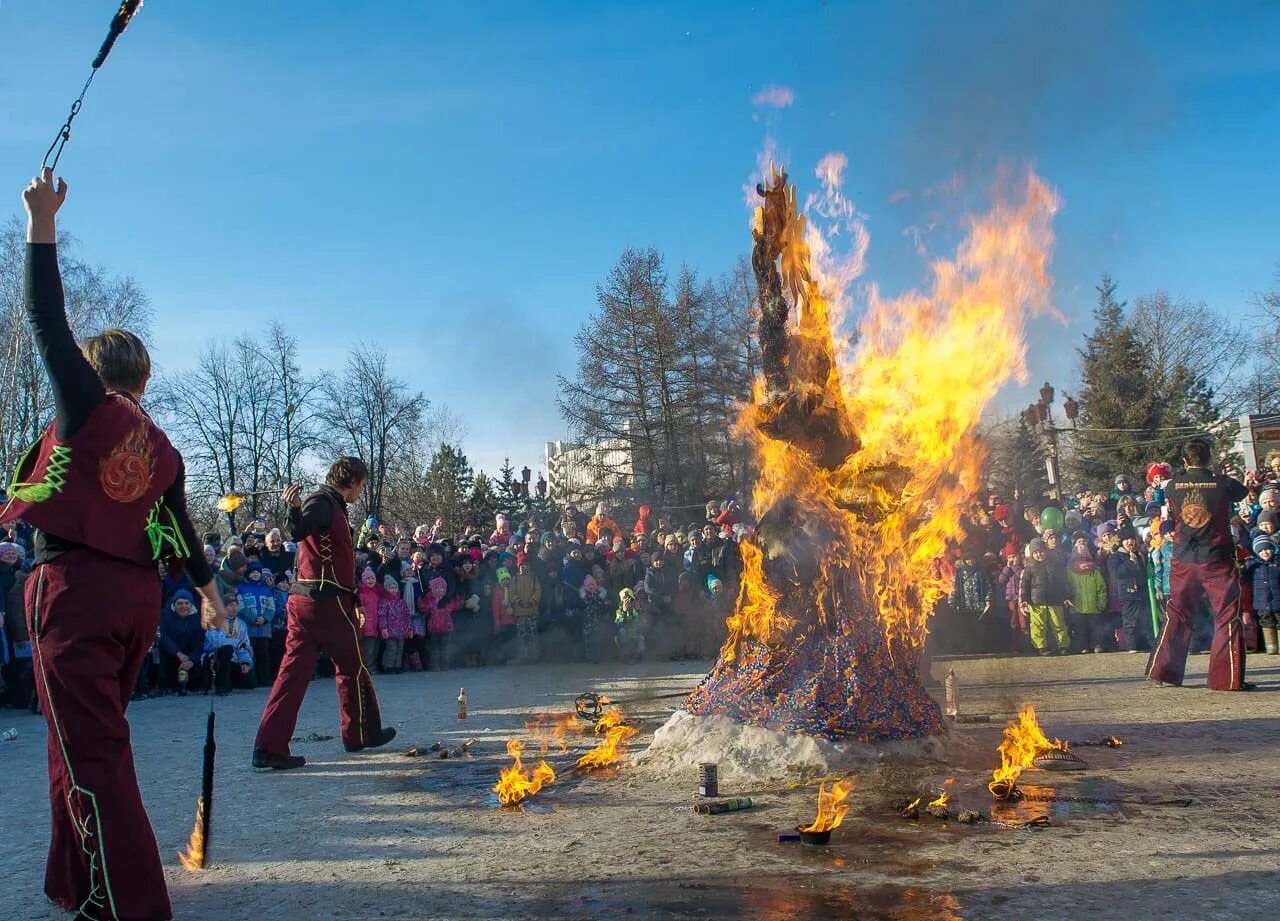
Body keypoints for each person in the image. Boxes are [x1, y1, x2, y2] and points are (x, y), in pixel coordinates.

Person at [5, 169, 229, 921]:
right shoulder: (163, 446)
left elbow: (43, 315)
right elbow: (183, 532)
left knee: (92, 752)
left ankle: (131, 905)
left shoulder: (85, 405)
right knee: (78, 744)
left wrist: (41, 221)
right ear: (147, 378)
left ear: (100, 374)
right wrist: (210, 593)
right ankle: (82, 883)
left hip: (71, 596)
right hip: (134, 604)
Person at [252, 458, 395, 770]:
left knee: (291, 676)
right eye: (362, 484)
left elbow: (338, 563)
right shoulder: (322, 502)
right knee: (353, 667)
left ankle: (268, 748)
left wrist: (355, 598)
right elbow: (298, 530)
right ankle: (360, 734)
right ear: (353, 481)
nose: (361, 491)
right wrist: (293, 506)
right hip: (326, 605)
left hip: (307, 603)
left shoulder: (331, 505)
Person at [1147, 439, 1251, 690]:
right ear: (1208, 458)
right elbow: (1243, 492)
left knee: (1178, 612)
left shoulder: (1173, 485)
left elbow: (1165, 506)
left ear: (1184, 461)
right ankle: (1226, 680)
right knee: (1227, 615)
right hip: (1217, 558)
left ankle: (1163, 671)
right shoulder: (1222, 483)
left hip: (1184, 557)